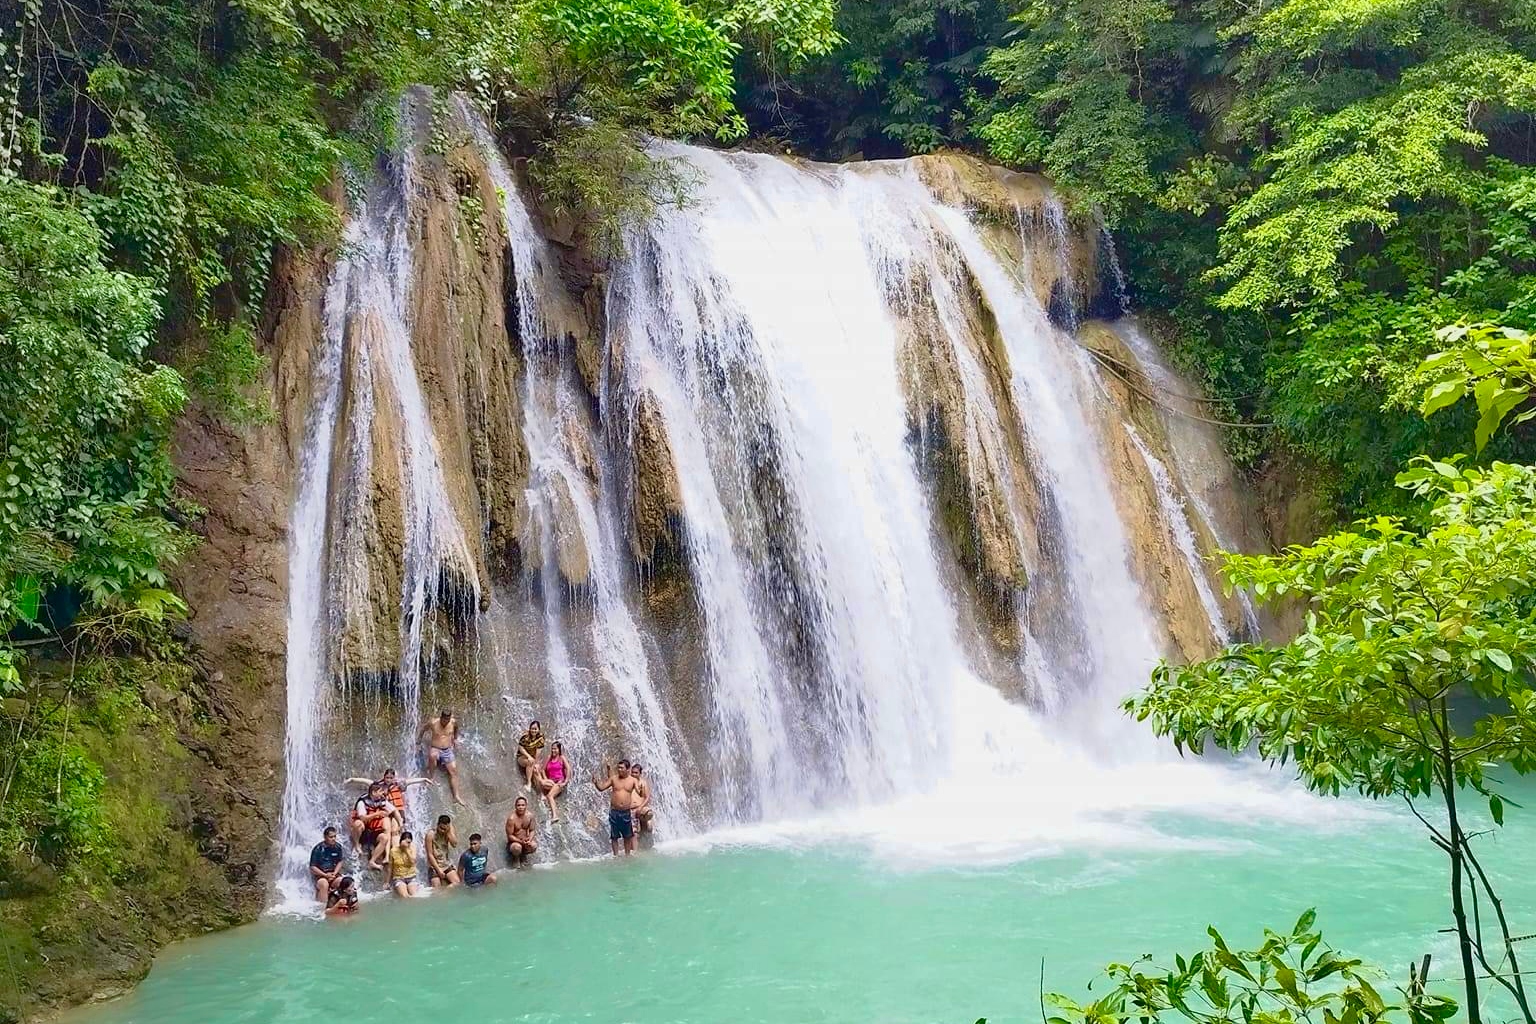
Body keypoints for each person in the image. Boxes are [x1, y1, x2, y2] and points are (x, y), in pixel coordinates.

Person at [592, 759, 640, 856]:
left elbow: (640, 792)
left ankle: (627, 855)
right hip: (614, 812)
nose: (619, 769)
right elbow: (601, 788)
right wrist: (596, 783)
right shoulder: (614, 779)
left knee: (627, 836)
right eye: (618, 767)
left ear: (627, 769)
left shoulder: (632, 780)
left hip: (625, 812)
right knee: (614, 836)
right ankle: (616, 856)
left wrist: (641, 792)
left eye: (621, 768)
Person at [350, 781, 401, 870]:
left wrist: (400, 823)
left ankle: (372, 861)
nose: (383, 793)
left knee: (384, 838)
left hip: (373, 831)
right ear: (374, 792)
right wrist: (377, 814)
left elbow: (394, 811)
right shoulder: (362, 802)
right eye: (380, 791)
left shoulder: (382, 800)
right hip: (363, 831)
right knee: (358, 824)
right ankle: (357, 845)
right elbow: (362, 818)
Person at [418, 709, 466, 806]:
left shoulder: (453, 722)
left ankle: (456, 796)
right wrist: (419, 741)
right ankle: (430, 777)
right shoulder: (433, 723)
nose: (446, 722)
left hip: (447, 750)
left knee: (453, 771)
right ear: (441, 718)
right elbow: (423, 729)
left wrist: (455, 739)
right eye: (445, 720)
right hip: (435, 748)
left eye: (448, 720)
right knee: (432, 755)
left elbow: (456, 728)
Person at [343, 767, 432, 818]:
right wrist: (352, 779)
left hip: (398, 810)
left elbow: (411, 781)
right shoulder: (379, 786)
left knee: (398, 825)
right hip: (387, 810)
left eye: (391, 778)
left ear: (394, 778)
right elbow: (366, 781)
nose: (388, 780)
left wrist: (424, 779)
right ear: (384, 777)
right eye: (387, 777)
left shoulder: (398, 785)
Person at [309, 825, 346, 903]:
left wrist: (334, 873)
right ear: (325, 837)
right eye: (331, 837)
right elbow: (312, 867)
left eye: (335, 836)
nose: (333, 839)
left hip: (333, 875)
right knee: (324, 884)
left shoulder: (338, 847)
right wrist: (325, 875)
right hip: (321, 876)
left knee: (342, 881)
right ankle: (322, 908)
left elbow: (340, 861)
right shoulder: (318, 849)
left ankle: (343, 905)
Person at [539, 741, 570, 822]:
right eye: (552, 749)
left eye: (555, 749)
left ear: (559, 750)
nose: (553, 751)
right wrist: (546, 779)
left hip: (559, 782)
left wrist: (565, 782)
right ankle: (544, 795)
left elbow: (568, 769)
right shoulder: (549, 757)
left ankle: (555, 816)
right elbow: (542, 770)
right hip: (551, 782)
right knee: (542, 782)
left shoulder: (562, 758)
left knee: (550, 796)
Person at [426, 814, 460, 888]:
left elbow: (454, 844)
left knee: (457, 883)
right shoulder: (430, 834)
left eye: (445, 829)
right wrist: (439, 870)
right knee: (437, 888)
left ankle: (446, 893)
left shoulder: (448, 832)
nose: (442, 830)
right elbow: (430, 855)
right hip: (434, 866)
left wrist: (449, 831)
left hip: (446, 864)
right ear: (437, 824)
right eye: (441, 828)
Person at [505, 796, 538, 869]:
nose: (521, 807)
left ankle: (524, 855)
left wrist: (529, 839)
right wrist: (520, 841)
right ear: (515, 806)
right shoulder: (512, 818)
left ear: (526, 806)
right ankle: (516, 858)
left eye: (523, 805)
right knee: (517, 847)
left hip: (525, 841)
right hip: (514, 842)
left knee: (534, 846)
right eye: (518, 805)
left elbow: (532, 830)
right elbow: (510, 836)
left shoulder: (530, 816)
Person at [389, 831, 421, 898]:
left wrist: (406, 850)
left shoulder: (412, 848)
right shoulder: (393, 851)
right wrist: (387, 881)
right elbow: (390, 867)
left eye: (409, 842)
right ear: (401, 841)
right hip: (399, 878)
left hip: (411, 877)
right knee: (405, 896)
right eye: (406, 842)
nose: (408, 844)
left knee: (414, 896)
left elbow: (413, 861)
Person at [516, 720, 546, 791]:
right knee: (530, 762)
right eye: (532, 729)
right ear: (530, 729)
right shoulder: (525, 736)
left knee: (536, 770)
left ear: (538, 729)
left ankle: (541, 793)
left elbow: (538, 751)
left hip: (532, 757)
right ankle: (529, 783)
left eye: (535, 729)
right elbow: (520, 748)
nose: (534, 731)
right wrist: (529, 756)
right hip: (522, 757)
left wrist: (536, 762)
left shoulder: (540, 738)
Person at [631, 763, 654, 837]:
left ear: (640, 773)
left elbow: (647, 797)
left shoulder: (643, 783)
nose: (634, 774)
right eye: (632, 772)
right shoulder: (628, 781)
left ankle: (647, 826)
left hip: (641, 808)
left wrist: (640, 807)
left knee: (648, 813)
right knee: (633, 830)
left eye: (636, 773)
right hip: (630, 809)